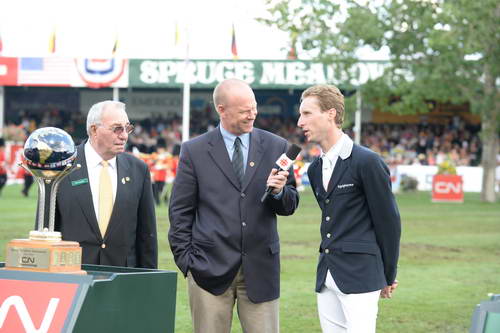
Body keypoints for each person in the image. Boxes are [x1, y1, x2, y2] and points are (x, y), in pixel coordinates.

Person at [168, 78, 299, 333]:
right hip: (207, 269)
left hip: (261, 269)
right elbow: (180, 211)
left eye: (254, 108)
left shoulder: (277, 146)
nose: (252, 115)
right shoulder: (193, 151)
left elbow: (289, 204)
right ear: (221, 109)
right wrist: (187, 261)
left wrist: (279, 192)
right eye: (244, 111)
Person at [297, 85, 401, 333]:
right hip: (327, 274)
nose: (300, 122)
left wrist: (388, 275)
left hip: (362, 274)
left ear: (331, 114)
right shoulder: (313, 169)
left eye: (307, 113)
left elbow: (389, 223)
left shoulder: (367, 161)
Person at [54, 100, 158, 268]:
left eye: (127, 128)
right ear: (94, 130)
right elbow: (46, 232)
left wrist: (149, 282)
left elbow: (147, 237)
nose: (124, 135)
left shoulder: (138, 170)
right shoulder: (61, 167)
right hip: (72, 277)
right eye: (117, 128)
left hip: (122, 282)